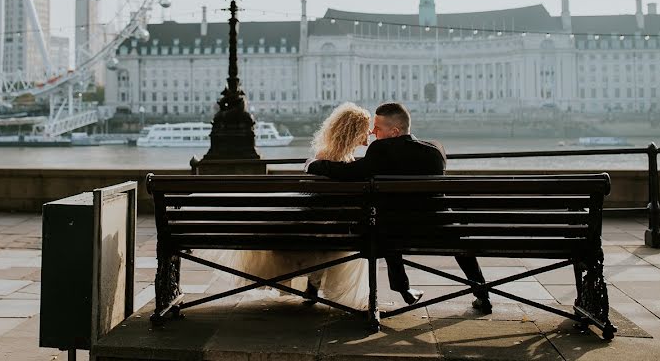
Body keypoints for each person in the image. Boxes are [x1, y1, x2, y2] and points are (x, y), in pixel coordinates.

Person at [305, 101, 492, 313]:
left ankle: (400, 289)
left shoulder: (381, 150)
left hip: (393, 232)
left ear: (394, 132)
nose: (374, 133)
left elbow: (350, 172)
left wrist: (314, 164)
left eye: (378, 129)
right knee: (458, 237)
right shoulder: (435, 150)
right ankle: (482, 293)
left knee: (384, 223)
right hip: (440, 229)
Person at [209, 102, 373, 310]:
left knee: (327, 234)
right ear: (354, 132)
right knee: (333, 238)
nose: (369, 133)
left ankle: (312, 286)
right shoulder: (345, 162)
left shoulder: (324, 155)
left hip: (313, 225)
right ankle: (313, 285)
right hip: (326, 228)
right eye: (365, 129)